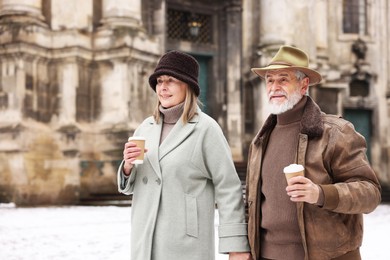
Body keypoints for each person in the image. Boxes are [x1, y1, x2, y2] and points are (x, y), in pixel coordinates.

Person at [246, 45, 381, 260]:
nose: (274, 86)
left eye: (283, 79)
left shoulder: (336, 132)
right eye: (270, 80)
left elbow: (370, 194)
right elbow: (253, 203)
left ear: (304, 84)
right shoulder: (261, 139)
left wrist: (320, 194)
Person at [117, 50, 251, 260]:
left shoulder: (206, 129)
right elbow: (132, 186)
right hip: (144, 241)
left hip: (186, 244)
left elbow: (229, 188)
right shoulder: (146, 127)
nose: (162, 87)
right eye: (159, 81)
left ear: (187, 85)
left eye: (171, 80)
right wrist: (127, 167)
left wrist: (236, 246)